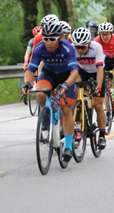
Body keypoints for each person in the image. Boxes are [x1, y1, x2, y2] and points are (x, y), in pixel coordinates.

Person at [22, 21, 78, 162]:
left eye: (52, 39)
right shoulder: (40, 47)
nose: (48, 42)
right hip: (49, 74)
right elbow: (30, 70)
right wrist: (27, 84)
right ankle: (46, 114)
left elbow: (75, 72)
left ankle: (69, 147)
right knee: (40, 93)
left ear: (59, 38)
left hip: (66, 77)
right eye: (45, 38)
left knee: (66, 109)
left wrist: (66, 85)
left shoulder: (67, 48)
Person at [71, 27, 107, 149]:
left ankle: (102, 135)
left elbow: (100, 69)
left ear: (89, 44)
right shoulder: (71, 48)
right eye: (77, 47)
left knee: (98, 104)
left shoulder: (96, 47)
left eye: (83, 47)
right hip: (82, 71)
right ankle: (77, 124)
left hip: (97, 72)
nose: (79, 50)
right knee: (75, 86)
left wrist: (99, 85)